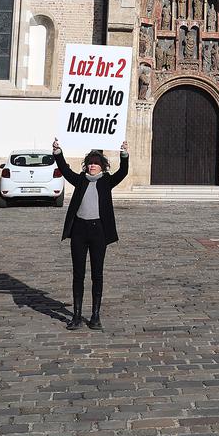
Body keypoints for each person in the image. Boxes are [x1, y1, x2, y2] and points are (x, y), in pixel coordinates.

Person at [52, 137, 129, 331]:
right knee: (78, 274)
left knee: (97, 274)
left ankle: (95, 316)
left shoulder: (106, 182)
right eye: (90, 163)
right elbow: (65, 170)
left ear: (102, 167)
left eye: (96, 163)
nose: (93, 166)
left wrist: (124, 154)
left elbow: (123, 172)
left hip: (98, 232)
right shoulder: (80, 180)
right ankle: (76, 316)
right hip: (79, 230)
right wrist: (58, 152)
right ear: (86, 166)